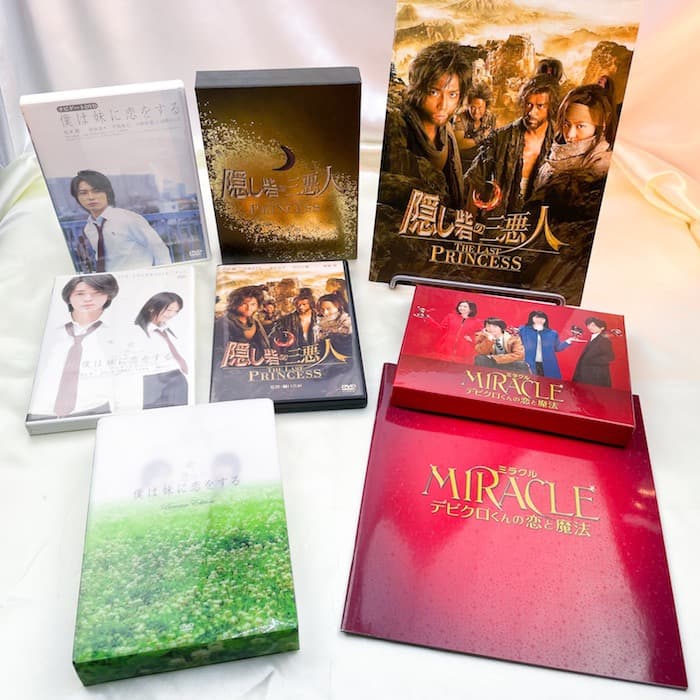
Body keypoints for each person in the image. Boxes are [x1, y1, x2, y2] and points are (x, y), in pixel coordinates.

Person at [524, 84, 616, 301]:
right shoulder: (554, 155)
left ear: (601, 124)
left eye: (581, 126)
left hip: (566, 265)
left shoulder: (602, 165)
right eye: (566, 124)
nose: (571, 134)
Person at [378, 41, 470, 211]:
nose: (443, 105)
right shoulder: (394, 125)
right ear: (418, 89)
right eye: (434, 92)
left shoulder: (447, 134)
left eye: (452, 94)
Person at [466, 74, 559, 220]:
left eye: (540, 106)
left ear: (550, 108)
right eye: (528, 104)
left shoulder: (559, 142)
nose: (531, 112)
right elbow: (475, 182)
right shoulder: (500, 138)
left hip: (538, 223)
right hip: (498, 221)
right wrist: (469, 225)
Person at [27, 274, 119, 420]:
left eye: (96, 293)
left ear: (108, 295)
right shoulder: (49, 329)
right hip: (41, 409)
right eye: (80, 293)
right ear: (68, 297)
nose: (88, 299)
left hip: (96, 408)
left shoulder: (118, 330)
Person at [70, 170, 172, 272]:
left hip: (139, 278)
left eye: (96, 191)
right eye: (83, 193)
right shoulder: (89, 228)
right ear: (77, 198)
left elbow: (159, 250)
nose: (91, 197)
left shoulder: (129, 219)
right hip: (110, 280)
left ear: (107, 193)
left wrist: (165, 276)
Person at [134, 292, 188, 409]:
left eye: (176, 311)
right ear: (151, 308)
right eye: (169, 310)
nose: (172, 315)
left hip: (176, 377)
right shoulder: (137, 332)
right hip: (151, 379)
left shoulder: (168, 329)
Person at [213, 285, 270, 365]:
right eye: (244, 304)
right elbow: (219, 351)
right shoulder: (224, 323)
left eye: (253, 304)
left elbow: (264, 345)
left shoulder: (255, 323)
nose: (248, 308)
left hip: (255, 361)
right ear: (235, 304)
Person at [453, 83, 496, 172]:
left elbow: (492, 141)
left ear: (486, 107)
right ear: (468, 106)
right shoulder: (460, 118)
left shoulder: (490, 117)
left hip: (482, 162)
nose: (476, 112)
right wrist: (481, 137)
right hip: (462, 163)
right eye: (473, 107)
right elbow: (459, 144)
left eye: (480, 108)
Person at [518, 310, 573, 378]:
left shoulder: (552, 333)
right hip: (528, 362)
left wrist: (568, 341)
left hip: (547, 364)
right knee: (528, 382)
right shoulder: (523, 329)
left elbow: (557, 348)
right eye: (537, 317)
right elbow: (517, 344)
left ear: (545, 320)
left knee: (546, 383)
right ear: (531, 318)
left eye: (542, 318)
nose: (539, 320)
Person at [573, 317, 614, 387]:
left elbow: (610, 357)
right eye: (589, 325)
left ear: (602, 328)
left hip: (595, 374)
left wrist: (590, 361)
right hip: (585, 373)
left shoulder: (604, 340)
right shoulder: (593, 337)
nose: (590, 327)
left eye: (593, 325)